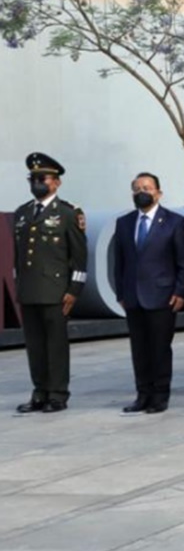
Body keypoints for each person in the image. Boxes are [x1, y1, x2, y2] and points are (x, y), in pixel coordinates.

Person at [113, 172, 184, 414]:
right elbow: (119, 262)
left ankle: (160, 395)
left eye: (147, 188)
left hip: (163, 296)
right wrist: (121, 293)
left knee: (159, 348)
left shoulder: (174, 222)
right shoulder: (124, 222)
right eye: (137, 189)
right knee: (139, 349)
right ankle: (142, 394)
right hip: (133, 297)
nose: (142, 192)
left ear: (158, 192)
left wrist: (181, 291)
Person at [13, 153, 87, 414]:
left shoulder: (68, 213)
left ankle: (57, 394)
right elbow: (17, 257)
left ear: (56, 183)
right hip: (30, 290)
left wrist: (74, 291)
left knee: (55, 345)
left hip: (56, 292)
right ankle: (40, 392)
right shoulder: (22, 213)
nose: (36, 183)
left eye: (41, 178)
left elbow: (79, 258)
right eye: (32, 179)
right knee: (34, 345)